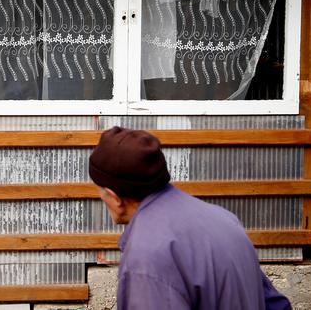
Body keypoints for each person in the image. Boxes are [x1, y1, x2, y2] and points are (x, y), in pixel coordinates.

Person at [89, 126, 292, 310]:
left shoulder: (148, 254)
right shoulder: (223, 220)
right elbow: (276, 305)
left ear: (114, 198)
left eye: (99, 191)